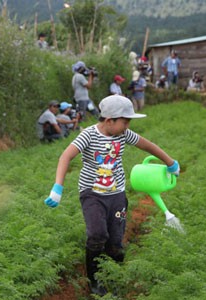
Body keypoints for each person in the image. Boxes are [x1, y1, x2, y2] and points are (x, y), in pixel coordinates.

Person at [43, 95, 180, 296]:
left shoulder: (123, 135)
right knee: (97, 235)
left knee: (115, 244)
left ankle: (113, 277)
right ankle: (95, 280)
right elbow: (66, 156)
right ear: (110, 120)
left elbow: (147, 145)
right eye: (125, 122)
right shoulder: (88, 135)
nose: (127, 126)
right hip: (92, 194)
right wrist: (57, 187)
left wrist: (170, 162)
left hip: (116, 194)